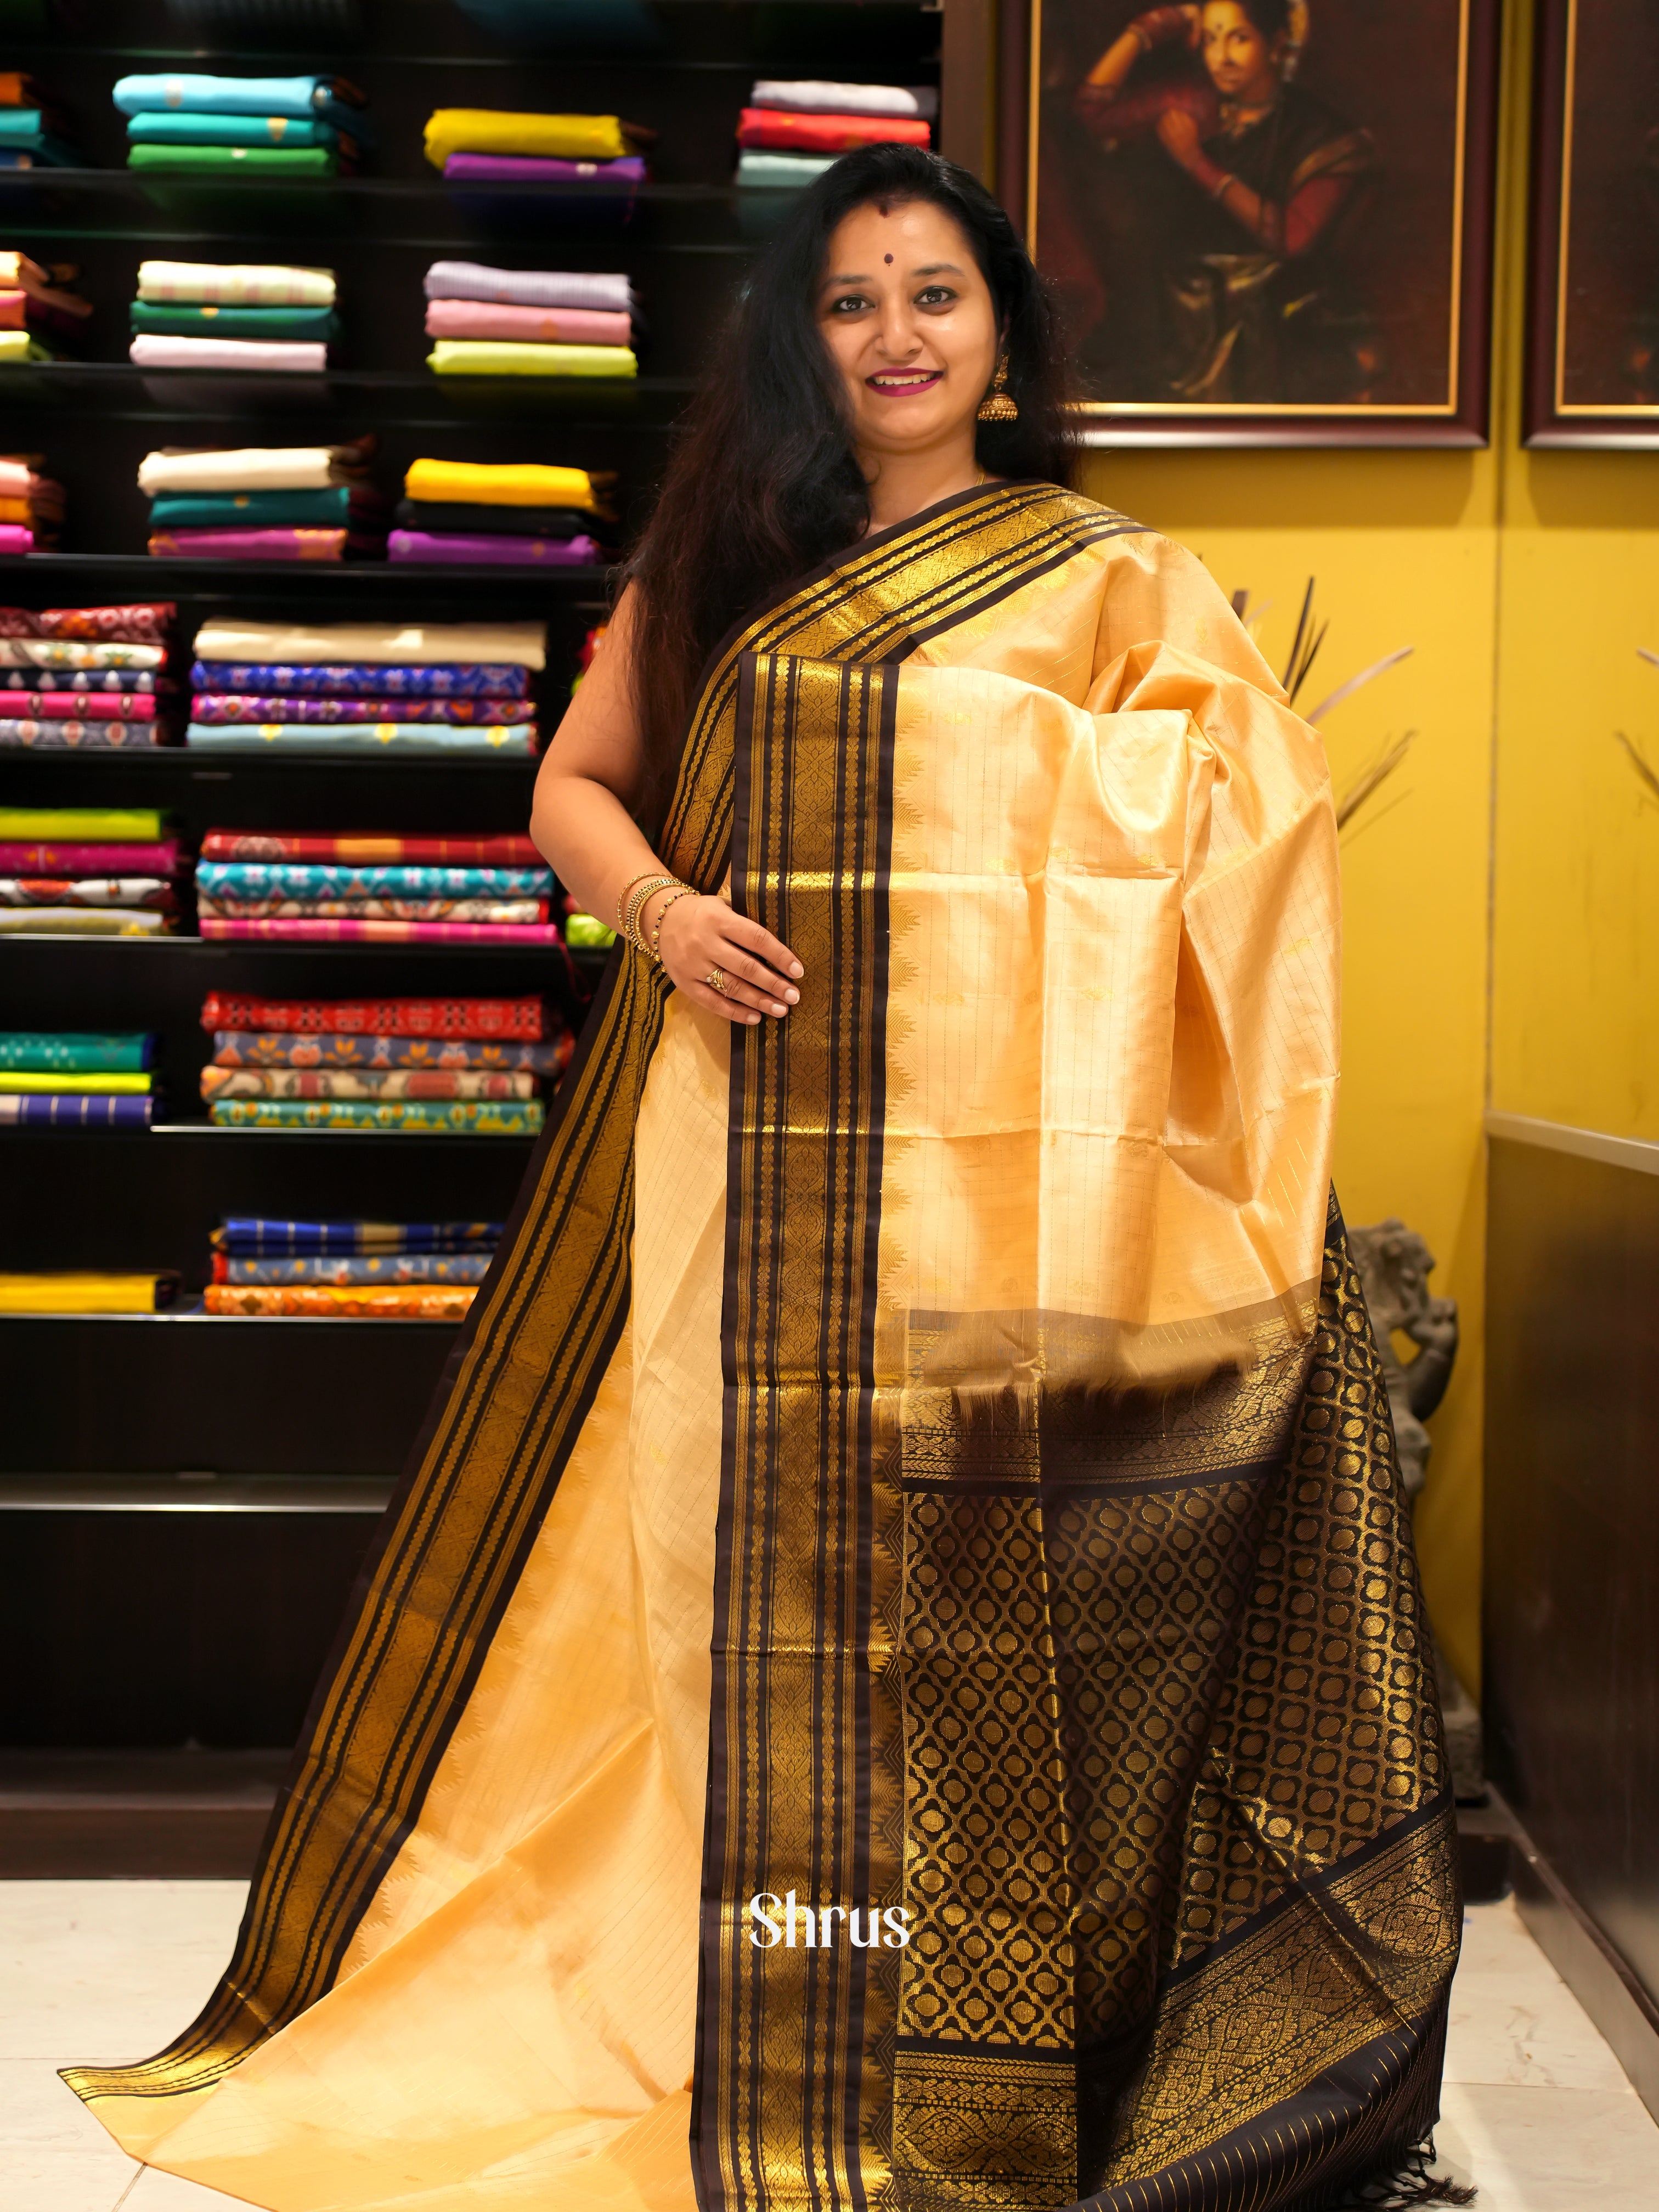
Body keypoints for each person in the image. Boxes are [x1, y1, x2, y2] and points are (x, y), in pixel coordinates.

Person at [64, 144, 1465, 2212]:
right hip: (750, 1147)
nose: (896, 334)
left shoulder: (1108, 580)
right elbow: (573, 786)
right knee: (739, 1582)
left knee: (986, 1605)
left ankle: (986, 2030)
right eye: (849, 299)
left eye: (934, 293)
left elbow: (1245, 829)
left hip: (1019, 1197)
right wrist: (659, 910)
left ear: (1003, 330)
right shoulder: (730, 555)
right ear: (802, 338)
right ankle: (768, 2000)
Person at [1069, 0, 1376, 401]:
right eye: (1212, 40)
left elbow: (1292, 237)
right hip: (1180, 310)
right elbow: (1092, 111)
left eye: (1239, 39)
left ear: (1276, 44)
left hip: (1273, 312)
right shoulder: (1195, 101)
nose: (1221, 58)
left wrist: (1197, 163)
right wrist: (1153, 26)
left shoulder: (1322, 134)